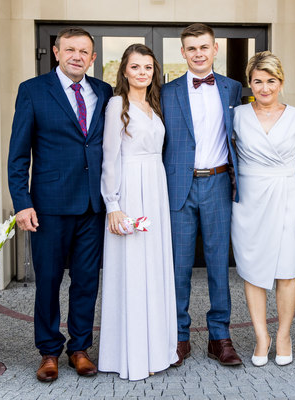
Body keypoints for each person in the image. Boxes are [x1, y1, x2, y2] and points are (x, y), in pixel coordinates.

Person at [7, 27, 112, 382]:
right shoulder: (33, 91)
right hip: (49, 206)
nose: (76, 57)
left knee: (86, 282)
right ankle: (48, 351)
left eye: (83, 51)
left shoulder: (104, 92)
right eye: (70, 50)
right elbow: (18, 155)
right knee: (49, 281)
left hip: (92, 206)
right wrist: (22, 203)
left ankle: (79, 348)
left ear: (92, 57)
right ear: (56, 52)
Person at [161, 23, 243, 367]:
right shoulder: (165, 92)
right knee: (178, 267)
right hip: (178, 185)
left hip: (219, 184)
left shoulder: (232, 88)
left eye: (204, 47)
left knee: (218, 265)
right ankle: (179, 336)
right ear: (183, 52)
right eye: (191, 48)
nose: (198, 53)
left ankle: (219, 337)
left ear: (215, 49)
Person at [98, 44, 178, 381]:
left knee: (153, 267)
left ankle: (155, 350)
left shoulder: (155, 104)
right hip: (130, 189)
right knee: (132, 268)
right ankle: (131, 354)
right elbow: (109, 157)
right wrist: (113, 205)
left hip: (155, 190)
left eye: (147, 67)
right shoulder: (117, 104)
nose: (142, 72)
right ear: (124, 71)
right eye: (135, 67)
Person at [231, 51, 295, 367]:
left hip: (286, 197)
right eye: (257, 81)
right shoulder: (237, 115)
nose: (264, 88)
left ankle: (283, 335)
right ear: (249, 83)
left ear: (280, 82)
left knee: (286, 270)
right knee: (252, 270)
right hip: (249, 200)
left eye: (271, 81)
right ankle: (261, 336)